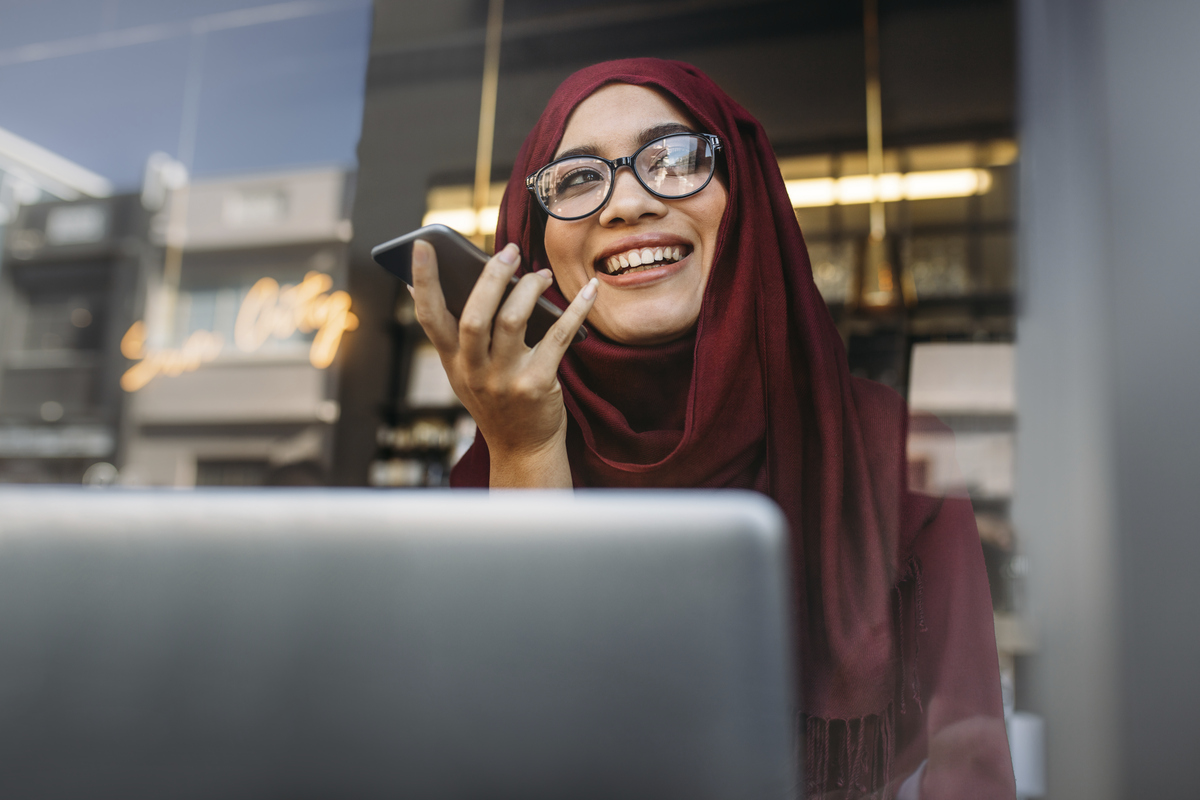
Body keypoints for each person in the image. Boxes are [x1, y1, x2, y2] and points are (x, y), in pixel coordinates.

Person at [410, 58, 1014, 799]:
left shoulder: (893, 455)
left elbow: (971, 771)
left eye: (674, 160)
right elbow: (506, 755)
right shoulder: (494, 467)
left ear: (746, 199)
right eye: (575, 179)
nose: (626, 204)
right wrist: (527, 451)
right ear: (534, 246)